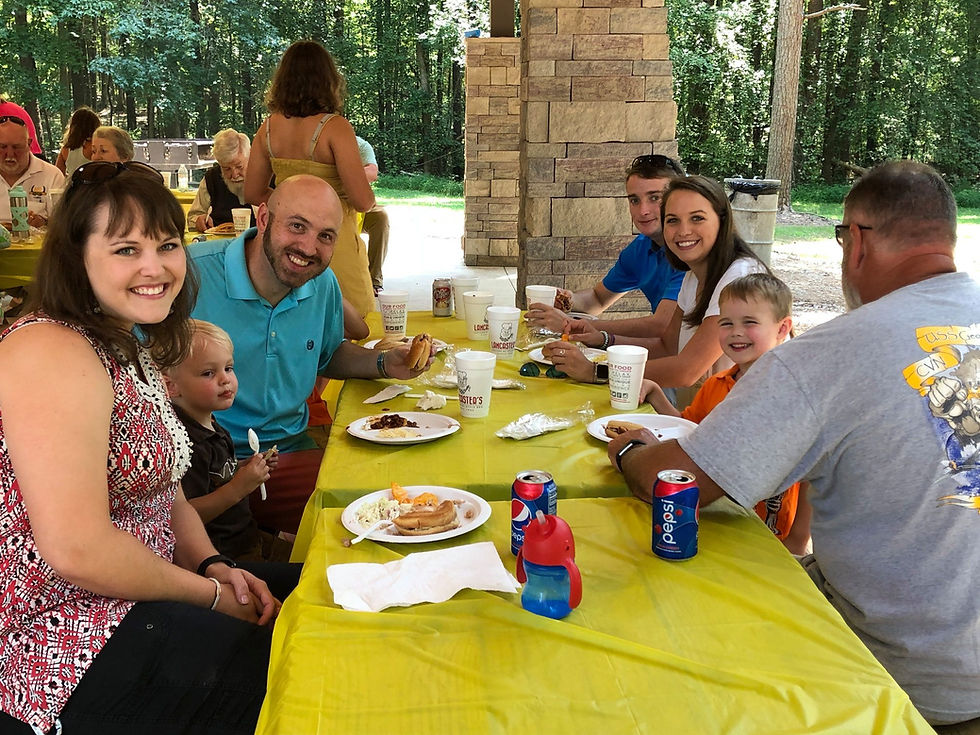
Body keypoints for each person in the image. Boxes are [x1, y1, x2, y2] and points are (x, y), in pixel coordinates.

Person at [607, 160, 980, 731]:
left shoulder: (830, 353)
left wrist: (629, 450)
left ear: (855, 241)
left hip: (896, 682)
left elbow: (674, 485)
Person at [0, 160, 292, 734]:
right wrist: (210, 594)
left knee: (331, 594)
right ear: (76, 257)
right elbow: (75, 550)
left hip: (149, 590)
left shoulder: (123, 338)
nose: (155, 267)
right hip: (62, 639)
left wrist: (212, 563)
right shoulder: (50, 351)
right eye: (125, 250)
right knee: (299, 668)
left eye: (167, 244)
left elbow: (161, 487)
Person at [190, 174, 431, 535]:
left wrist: (383, 363)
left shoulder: (320, 284)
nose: (308, 247)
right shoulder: (191, 274)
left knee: (389, 509)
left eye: (325, 236)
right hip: (204, 467)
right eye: (297, 226)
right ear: (264, 218)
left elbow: (327, 354)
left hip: (287, 453)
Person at [545, 176, 768, 398]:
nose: (683, 231)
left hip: (747, 416)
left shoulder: (739, 279)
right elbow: (666, 347)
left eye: (697, 218)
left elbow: (686, 371)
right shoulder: (693, 275)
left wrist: (595, 372)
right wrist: (602, 339)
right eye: (672, 220)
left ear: (722, 220)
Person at [640, 272, 810, 554]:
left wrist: (799, 539)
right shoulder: (716, 385)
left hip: (770, 537)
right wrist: (656, 394)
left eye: (750, 322)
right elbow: (690, 433)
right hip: (714, 522)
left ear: (782, 329)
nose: (736, 332)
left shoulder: (794, 395)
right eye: (726, 323)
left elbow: (812, 474)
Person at [245, 39, 376, 318]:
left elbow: (253, 192)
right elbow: (363, 201)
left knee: (295, 319)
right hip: (332, 244)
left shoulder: (267, 128)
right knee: (347, 325)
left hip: (287, 240)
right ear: (329, 80)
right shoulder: (335, 127)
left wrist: (294, 209)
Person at [526, 154, 685, 334]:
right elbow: (598, 299)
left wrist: (569, 325)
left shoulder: (688, 251)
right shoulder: (639, 249)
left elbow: (663, 325)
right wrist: (565, 298)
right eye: (634, 200)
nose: (643, 211)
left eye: (655, 198)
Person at [163, 319, 280, 561]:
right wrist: (240, 487)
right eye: (208, 373)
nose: (225, 379)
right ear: (170, 385)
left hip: (247, 536)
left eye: (228, 368)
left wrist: (244, 468)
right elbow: (186, 513)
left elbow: (215, 477)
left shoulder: (210, 422)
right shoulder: (185, 443)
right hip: (224, 556)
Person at [0, 114, 65, 227]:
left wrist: (43, 222)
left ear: (29, 144)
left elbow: (65, 224)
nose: (9, 154)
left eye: (16, 147)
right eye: (2, 147)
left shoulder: (52, 175)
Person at [188, 128, 255, 232]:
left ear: (250, 157)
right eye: (226, 169)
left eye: (239, 166)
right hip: (218, 245)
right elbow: (193, 217)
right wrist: (199, 220)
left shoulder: (266, 177)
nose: (234, 175)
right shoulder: (211, 180)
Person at [356, 135, 390, 294]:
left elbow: (372, 172)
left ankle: (374, 279)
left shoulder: (361, 145)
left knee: (380, 217)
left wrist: (344, 173)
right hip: (329, 206)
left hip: (358, 205)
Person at [54, 106, 101, 179]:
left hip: (72, 188)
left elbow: (58, 173)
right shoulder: (95, 146)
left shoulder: (66, 149)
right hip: (92, 188)